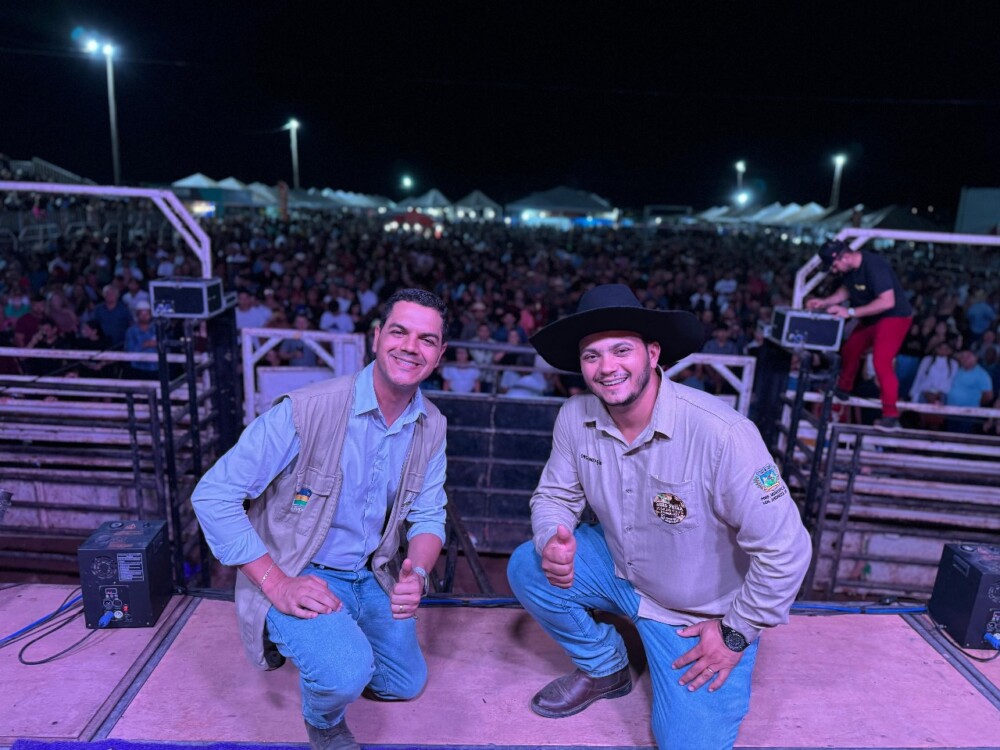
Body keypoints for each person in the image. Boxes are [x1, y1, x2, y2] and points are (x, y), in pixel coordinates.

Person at [506, 284, 811, 750]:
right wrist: (554, 535)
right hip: (621, 570)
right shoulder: (574, 416)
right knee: (529, 564)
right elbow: (553, 495)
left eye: (621, 350)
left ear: (652, 353)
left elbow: (787, 549)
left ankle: (683, 646)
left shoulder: (723, 434)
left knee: (688, 745)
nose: (607, 368)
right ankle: (605, 666)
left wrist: (735, 632)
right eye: (592, 356)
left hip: (694, 614)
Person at [190, 288, 449, 750]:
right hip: (298, 567)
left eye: (427, 340)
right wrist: (277, 583)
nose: (411, 346)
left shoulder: (432, 423)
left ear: (440, 355)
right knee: (345, 674)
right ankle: (324, 718)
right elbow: (213, 495)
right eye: (399, 331)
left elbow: (430, 515)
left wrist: (419, 570)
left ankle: (334, 646)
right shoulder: (307, 410)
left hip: (370, 572)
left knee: (405, 682)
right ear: (376, 338)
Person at [806, 240, 913, 429]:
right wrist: (824, 302)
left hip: (893, 317)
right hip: (871, 318)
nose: (834, 270)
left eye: (834, 265)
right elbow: (845, 292)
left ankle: (890, 414)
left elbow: (887, 301)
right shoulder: (850, 271)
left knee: (881, 361)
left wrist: (851, 313)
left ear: (844, 257)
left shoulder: (874, 265)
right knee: (850, 349)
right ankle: (844, 389)